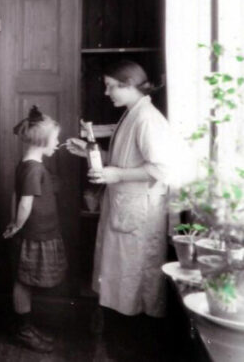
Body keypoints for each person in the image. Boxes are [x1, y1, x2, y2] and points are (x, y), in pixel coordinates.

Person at [66, 60, 173, 320]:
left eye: (111, 86)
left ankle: (135, 333)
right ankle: (121, 325)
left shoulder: (147, 119)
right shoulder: (133, 113)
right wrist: (91, 153)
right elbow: (127, 159)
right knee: (122, 279)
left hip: (140, 211)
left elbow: (161, 169)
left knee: (136, 280)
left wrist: (117, 175)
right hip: (125, 206)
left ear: (129, 84)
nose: (107, 92)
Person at [3, 106, 67, 353]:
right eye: (55, 139)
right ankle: (23, 330)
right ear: (42, 141)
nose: (58, 143)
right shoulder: (33, 168)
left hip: (38, 232)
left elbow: (15, 195)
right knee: (23, 281)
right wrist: (17, 226)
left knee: (26, 281)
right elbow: (24, 202)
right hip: (33, 234)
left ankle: (26, 326)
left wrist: (14, 223)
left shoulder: (29, 164)